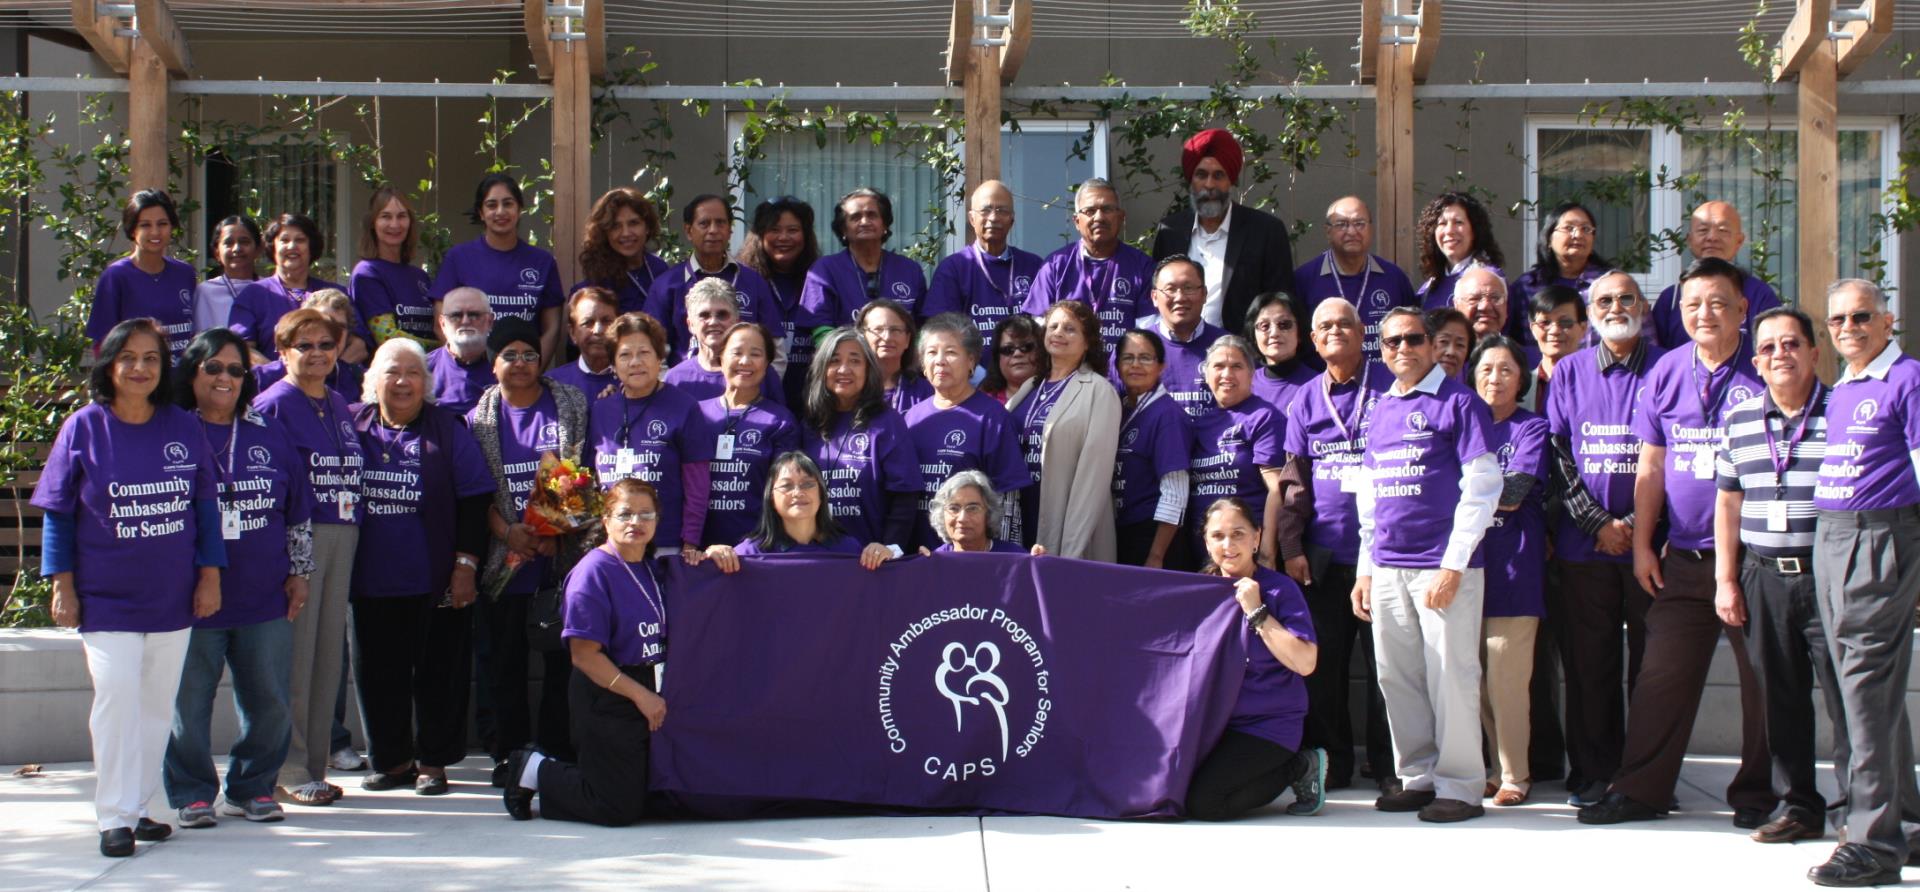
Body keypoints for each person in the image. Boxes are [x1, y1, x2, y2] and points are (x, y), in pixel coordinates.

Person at [1579, 256, 1774, 828]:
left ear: (1743, 309)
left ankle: (1759, 795)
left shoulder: (1764, 369)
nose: (1704, 313)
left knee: (1761, 677)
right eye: (1692, 304)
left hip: (1756, 555)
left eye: (1717, 303)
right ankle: (1642, 789)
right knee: (1661, 674)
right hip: (1685, 555)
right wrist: (1643, 545)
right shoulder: (1666, 369)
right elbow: (1651, 466)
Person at [32, 318, 226, 857]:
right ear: (110, 366)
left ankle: (141, 808)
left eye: (152, 359)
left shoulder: (184, 427)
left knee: (156, 706)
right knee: (116, 701)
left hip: (173, 595)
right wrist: (62, 587)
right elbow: (58, 516)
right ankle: (113, 816)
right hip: (105, 598)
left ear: (164, 370)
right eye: (129, 358)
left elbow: (205, 510)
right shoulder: (84, 427)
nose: (140, 368)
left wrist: (210, 576)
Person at [1353, 305, 1501, 824]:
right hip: (1389, 566)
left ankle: (1460, 787)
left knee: (1451, 677)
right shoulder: (1381, 407)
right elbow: (1370, 495)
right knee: (1400, 677)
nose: (1401, 350)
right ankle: (1418, 777)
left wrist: (1453, 564)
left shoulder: (1459, 403)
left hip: (1442, 567)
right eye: (1390, 342)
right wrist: (1364, 568)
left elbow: (1483, 487)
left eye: (1413, 339)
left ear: (1432, 343)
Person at [163, 328, 314, 828]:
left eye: (235, 369)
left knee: (269, 698)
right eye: (214, 368)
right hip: (191, 598)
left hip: (263, 592)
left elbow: (297, 512)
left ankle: (252, 787)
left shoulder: (268, 431)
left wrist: (299, 572)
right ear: (193, 373)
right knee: (188, 703)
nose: (225, 378)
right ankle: (191, 791)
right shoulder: (172, 430)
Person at [1711, 307, 1843, 848]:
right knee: (1781, 700)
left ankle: (1865, 809)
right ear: (1756, 361)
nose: (1779, 355)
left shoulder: (1843, 412)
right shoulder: (1740, 418)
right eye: (1767, 348)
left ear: (1815, 352)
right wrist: (1726, 580)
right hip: (1763, 577)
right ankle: (1800, 806)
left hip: (1832, 579)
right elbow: (1727, 501)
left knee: (1848, 699)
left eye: (1791, 344)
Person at [1808, 279, 1920, 886]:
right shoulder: (1845, 389)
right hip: (1833, 535)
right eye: (1837, 320)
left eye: (1860, 316)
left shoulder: (1908, 380)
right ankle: (1902, 819)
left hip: (1878, 539)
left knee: (1865, 687)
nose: (1847, 327)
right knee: (1864, 684)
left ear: (1887, 320)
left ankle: (1874, 845)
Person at [349, 338, 496, 796]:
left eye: (413, 372)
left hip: (437, 579)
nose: (402, 381)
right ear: (373, 380)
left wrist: (466, 565)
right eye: (392, 372)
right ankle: (392, 761)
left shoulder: (447, 428)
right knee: (378, 674)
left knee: (440, 674)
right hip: (369, 580)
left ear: (426, 383)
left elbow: (474, 499)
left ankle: (433, 761)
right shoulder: (352, 424)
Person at [1545, 270, 1664, 806]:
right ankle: (1593, 772)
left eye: (1626, 298)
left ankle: (1642, 776)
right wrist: (1597, 523)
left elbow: (1674, 455)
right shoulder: (1568, 371)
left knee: (1650, 668)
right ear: (1592, 312)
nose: (1616, 307)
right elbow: (1557, 454)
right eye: (1605, 300)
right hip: (1583, 545)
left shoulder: (1667, 369)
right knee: (1589, 665)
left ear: (1643, 305)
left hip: (1653, 547)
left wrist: (1640, 527)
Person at [500, 478, 666, 826]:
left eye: (645, 514)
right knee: (616, 808)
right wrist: (641, 696)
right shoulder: (593, 571)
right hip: (608, 693)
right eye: (624, 514)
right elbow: (584, 656)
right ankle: (534, 770)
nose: (635, 522)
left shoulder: (651, 568)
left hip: (646, 691)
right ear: (605, 520)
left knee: (655, 796)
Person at [1278, 297, 1394, 791]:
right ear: (1312, 337)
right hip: (1322, 558)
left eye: (1343, 324)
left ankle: (1392, 769)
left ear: (1361, 330)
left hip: (1384, 554)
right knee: (1324, 672)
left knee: (1388, 669)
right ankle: (1336, 765)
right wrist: (1291, 547)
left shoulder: (1391, 387)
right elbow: (1293, 480)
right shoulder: (1305, 399)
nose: (1334, 332)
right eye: (1324, 325)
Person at [468, 317, 588, 782]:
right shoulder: (477, 418)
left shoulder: (571, 404)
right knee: (503, 662)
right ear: (492, 362)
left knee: (562, 662)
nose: (521, 364)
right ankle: (509, 753)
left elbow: (586, 467)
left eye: (530, 354)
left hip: (561, 556)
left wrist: (555, 527)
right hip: (505, 559)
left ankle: (554, 751)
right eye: (510, 355)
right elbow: (473, 491)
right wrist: (506, 531)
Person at [253, 309, 364, 808]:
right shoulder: (272, 405)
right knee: (296, 657)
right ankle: (288, 766)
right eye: (304, 346)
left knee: (326, 656)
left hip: (344, 531)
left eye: (326, 343)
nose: (317, 353)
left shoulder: (339, 403)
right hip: (300, 538)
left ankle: (314, 765)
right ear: (282, 352)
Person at [1184, 497, 1325, 821]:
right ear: (1206, 541)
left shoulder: (1279, 590)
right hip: (1216, 724)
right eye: (1218, 536)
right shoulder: (1198, 589)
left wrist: (1257, 611)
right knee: (1169, 784)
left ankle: (1297, 766)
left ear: (1257, 537)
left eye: (1238, 534)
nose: (1228, 545)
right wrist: (1049, 572)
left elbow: (1305, 662)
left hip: (1268, 725)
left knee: (1205, 803)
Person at [1468, 334, 1549, 807]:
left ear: (1521, 380)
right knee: (1474, 680)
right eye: (1486, 369)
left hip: (1514, 570)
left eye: (1505, 370)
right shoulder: (1465, 426)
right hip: (1466, 569)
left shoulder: (1530, 428)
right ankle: (1490, 771)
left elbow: (1515, 491)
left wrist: (1461, 492)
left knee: (1506, 680)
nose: (1494, 378)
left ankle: (1515, 772)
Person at [584, 312, 713, 560]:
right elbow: (592, 477)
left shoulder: (684, 407)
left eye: (644, 353)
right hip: (612, 545)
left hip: (665, 545)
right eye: (624, 355)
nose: (635, 362)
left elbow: (697, 484)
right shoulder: (601, 409)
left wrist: (691, 541)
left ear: (658, 358)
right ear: (613, 364)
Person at [902, 313, 1031, 551]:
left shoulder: (993, 418)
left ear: (972, 361)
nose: (940, 361)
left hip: (975, 561)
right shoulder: (910, 419)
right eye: (931, 352)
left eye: (951, 352)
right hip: (920, 557)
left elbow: (1008, 501)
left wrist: (1002, 558)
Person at [1149, 128, 1297, 330]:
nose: (1210, 184)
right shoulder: (1170, 231)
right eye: (1201, 175)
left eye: (1219, 175)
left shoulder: (1265, 231)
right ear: (1191, 180)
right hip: (1181, 351)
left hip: (1243, 355)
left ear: (1231, 181)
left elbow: (1280, 302)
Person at [1009, 300, 1120, 560]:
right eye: (1053, 326)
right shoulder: (1030, 386)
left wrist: (1071, 551)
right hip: (1021, 509)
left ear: (1088, 342)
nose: (1058, 333)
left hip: (1067, 517)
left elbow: (1094, 477)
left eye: (1070, 329)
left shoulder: (1098, 390)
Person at [801, 327, 923, 552]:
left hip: (871, 560)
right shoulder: (809, 424)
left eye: (855, 361)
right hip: (814, 558)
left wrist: (889, 549)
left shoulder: (887, 422)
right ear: (821, 369)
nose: (844, 369)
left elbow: (904, 497)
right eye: (834, 361)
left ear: (868, 370)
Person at [432, 173, 564, 362]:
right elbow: (441, 323)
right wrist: (469, 365)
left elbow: (552, 329)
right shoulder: (458, 258)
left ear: (519, 210)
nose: (500, 212)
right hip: (470, 377)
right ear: (481, 212)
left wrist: (529, 369)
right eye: (492, 205)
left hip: (522, 376)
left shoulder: (542, 262)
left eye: (508, 204)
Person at [696, 322, 801, 547]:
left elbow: (783, 491)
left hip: (757, 548)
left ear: (767, 364)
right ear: (721, 357)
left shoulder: (780, 421)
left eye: (756, 354)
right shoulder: (695, 414)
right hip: (699, 549)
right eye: (737, 352)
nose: (745, 361)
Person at [645, 194, 782, 364]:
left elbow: (776, 349)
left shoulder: (753, 281)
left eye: (720, 223)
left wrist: (758, 387)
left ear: (730, 230)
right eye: (704, 223)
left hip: (744, 385)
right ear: (689, 231)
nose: (713, 230)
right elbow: (652, 350)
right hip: (685, 386)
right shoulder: (666, 285)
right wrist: (669, 388)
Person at [1026, 177, 1156, 354]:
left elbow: (1148, 332)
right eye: (1090, 211)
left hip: (1124, 374)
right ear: (1076, 221)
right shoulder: (1055, 265)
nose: (1099, 217)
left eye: (1107, 209)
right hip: (1068, 373)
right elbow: (1039, 329)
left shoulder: (1142, 266)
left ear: (1121, 217)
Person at [925, 180, 1044, 371]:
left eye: (1002, 211)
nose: (993, 217)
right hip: (972, 381)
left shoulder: (1033, 266)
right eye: (986, 210)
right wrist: (976, 374)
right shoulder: (954, 268)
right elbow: (941, 331)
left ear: (1012, 219)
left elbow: (1044, 325)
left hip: (1027, 377)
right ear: (972, 219)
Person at [1186, 335, 1284, 565]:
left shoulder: (1264, 417)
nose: (1227, 374)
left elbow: (1277, 489)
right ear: (1206, 374)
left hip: (1246, 556)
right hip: (1202, 555)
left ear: (1251, 374)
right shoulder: (1198, 423)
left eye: (1237, 366)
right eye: (1219, 366)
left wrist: (1267, 554)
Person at [702, 451, 897, 566]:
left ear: (821, 494)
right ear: (771, 498)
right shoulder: (749, 553)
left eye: (807, 484)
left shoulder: (848, 550)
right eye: (786, 486)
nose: (797, 492)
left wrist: (885, 554)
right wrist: (711, 558)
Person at [1294, 196, 1417, 362]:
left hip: (1384, 384)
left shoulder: (1394, 278)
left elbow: (1414, 334)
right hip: (1325, 383)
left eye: (1359, 223)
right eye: (1342, 224)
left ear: (1371, 229)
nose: (1352, 231)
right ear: (1328, 231)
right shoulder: (1304, 279)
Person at [1650, 201, 1783, 350]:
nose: (1712, 237)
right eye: (1703, 230)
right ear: (1689, 240)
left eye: (1723, 230)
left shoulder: (1759, 293)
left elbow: (1774, 348)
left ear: (1739, 241)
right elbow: (1657, 356)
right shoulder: (1671, 298)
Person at [230, 213, 355, 365]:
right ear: (273, 246)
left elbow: (358, 345)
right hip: (273, 385)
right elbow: (242, 349)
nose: (292, 246)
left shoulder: (336, 294)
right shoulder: (253, 295)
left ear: (311, 246)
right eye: (284, 240)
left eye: (300, 240)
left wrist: (327, 372)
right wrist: (286, 377)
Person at [1113, 329, 1192, 568]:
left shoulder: (1167, 415)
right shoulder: (1120, 408)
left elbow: (1175, 491)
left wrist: (1156, 555)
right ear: (1117, 365)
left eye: (1145, 358)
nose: (1136, 365)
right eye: (1128, 358)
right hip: (1122, 530)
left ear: (1161, 366)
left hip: (1153, 537)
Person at [88, 190, 198, 359]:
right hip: (138, 379)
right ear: (132, 230)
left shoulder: (185, 273)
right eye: (145, 225)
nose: (155, 232)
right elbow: (103, 343)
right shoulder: (116, 276)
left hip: (181, 380)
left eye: (162, 223)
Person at [800, 187, 928, 327]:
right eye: (855, 217)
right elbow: (819, 326)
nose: (864, 222)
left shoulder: (909, 270)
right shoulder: (825, 270)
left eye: (872, 215)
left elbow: (922, 326)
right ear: (843, 229)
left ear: (885, 224)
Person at [737, 196, 821, 402]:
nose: (783, 237)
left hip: (811, 397)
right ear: (760, 235)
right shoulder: (743, 280)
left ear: (806, 236)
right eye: (774, 230)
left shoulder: (820, 279)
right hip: (757, 398)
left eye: (793, 230)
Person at [1132, 256, 1227, 420]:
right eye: (1170, 289)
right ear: (1154, 297)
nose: (1180, 297)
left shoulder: (1228, 347)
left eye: (1189, 288)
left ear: (1204, 294)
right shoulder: (1134, 347)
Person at [663, 278, 785, 404]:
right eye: (704, 315)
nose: (714, 322)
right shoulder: (675, 379)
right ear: (690, 324)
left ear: (737, 321)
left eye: (722, 314)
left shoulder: (760, 374)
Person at [1510, 201, 1613, 346]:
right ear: (1548, 238)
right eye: (1569, 228)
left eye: (1586, 229)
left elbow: (1643, 337)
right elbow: (1510, 340)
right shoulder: (1527, 285)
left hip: (1596, 368)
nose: (1578, 235)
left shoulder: (1611, 285)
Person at [351, 185, 438, 347]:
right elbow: (387, 337)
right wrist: (443, 348)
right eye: (386, 216)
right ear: (372, 223)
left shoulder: (421, 277)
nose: (394, 224)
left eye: (401, 216)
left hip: (428, 371)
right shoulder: (367, 273)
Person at [249, 290, 366, 402]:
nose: (331, 334)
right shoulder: (261, 379)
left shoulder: (357, 379)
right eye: (322, 325)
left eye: (340, 327)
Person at [574, 187, 669, 314]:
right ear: (605, 233)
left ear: (647, 227)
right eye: (615, 226)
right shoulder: (598, 280)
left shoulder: (659, 268)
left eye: (633, 223)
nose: (625, 233)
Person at [1415, 191, 1505, 312]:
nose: (1449, 231)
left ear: (1475, 230)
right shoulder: (1428, 288)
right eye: (1442, 223)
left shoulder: (1489, 279)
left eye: (1458, 222)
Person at [924, 470, 1042, 555]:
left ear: (989, 514)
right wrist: (919, 567)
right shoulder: (935, 561)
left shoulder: (1015, 558)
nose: (962, 518)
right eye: (954, 508)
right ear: (942, 515)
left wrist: (1040, 566)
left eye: (973, 508)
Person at [544, 286, 621, 413]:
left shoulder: (634, 380)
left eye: (607, 321)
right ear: (572, 333)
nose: (598, 330)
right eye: (588, 323)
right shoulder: (552, 385)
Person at [424, 287, 497, 415]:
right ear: (442, 324)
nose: (465, 321)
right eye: (456, 315)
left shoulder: (507, 369)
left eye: (474, 315)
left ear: (490, 321)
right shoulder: (423, 369)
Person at [1246, 291, 1316, 412]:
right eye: (1264, 326)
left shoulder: (1317, 386)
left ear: (1299, 332)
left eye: (1284, 324)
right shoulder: (1244, 385)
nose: (1274, 333)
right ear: (1254, 336)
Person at [857, 298, 931, 414]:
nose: (887, 337)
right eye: (878, 329)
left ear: (907, 339)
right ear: (862, 336)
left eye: (895, 330)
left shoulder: (926, 393)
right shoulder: (850, 389)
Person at [192, 214, 261, 334]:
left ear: (258, 249)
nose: (237, 248)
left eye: (244, 242)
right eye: (228, 243)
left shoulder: (269, 289)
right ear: (217, 252)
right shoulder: (205, 292)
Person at [1526, 284, 1588, 412]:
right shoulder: (1518, 386)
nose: (1554, 330)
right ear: (1533, 329)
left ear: (1583, 328)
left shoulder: (1596, 383)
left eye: (1565, 323)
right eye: (1545, 323)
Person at [981, 313, 1042, 404]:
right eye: (1008, 349)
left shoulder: (1056, 392)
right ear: (998, 358)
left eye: (1026, 347)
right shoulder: (984, 401)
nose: (1017, 354)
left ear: (1041, 351)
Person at [1428, 307, 1475, 381]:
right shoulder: (1404, 389)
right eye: (1443, 341)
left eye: (1460, 345)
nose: (1451, 352)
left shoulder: (1465, 392)